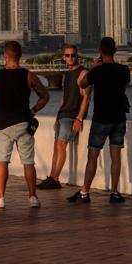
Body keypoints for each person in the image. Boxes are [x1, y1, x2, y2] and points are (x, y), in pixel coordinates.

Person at [0, 40, 50, 208]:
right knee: (28, 162)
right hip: (24, 123)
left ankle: (0, 198)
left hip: (3, 125)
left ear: (5, 55)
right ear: (20, 56)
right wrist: (33, 111)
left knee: (2, 162)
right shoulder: (28, 75)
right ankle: (33, 197)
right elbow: (45, 96)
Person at [69, 37, 131, 205]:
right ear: (115, 50)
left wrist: (92, 68)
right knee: (116, 156)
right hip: (119, 118)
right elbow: (123, 87)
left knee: (93, 156)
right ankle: (115, 193)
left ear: (100, 51)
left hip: (101, 119)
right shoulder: (124, 70)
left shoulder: (97, 71)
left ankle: (84, 193)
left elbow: (82, 84)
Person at [38, 44, 89, 190]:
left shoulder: (83, 73)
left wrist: (79, 118)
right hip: (63, 115)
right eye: (67, 55)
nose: (70, 58)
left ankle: (55, 178)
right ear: (63, 57)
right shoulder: (67, 74)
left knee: (61, 145)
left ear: (77, 56)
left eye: (73, 55)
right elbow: (64, 97)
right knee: (57, 146)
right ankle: (52, 177)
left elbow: (86, 97)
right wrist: (56, 117)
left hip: (72, 116)